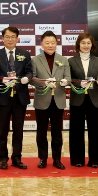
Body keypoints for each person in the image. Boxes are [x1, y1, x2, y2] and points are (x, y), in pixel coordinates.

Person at [0, 26, 33, 170]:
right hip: (3, 97)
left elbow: (29, 72)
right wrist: (1, 79)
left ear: (17, 39)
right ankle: (3, 158)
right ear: (2, 39)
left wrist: (26, 79)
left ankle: (17, 158)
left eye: (13, 37)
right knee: (2, 131)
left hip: (20, 97)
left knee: (18, 130)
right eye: (7, 37)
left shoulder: (25, 54)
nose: (10, 39)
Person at [31, 31, 71, 170]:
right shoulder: (35, 60)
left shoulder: (63, 59)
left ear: (56, 43)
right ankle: (42, 158)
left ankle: (57, 159)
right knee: (41, 131)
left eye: (53, 42)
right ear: (41, 44)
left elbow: (68, 78)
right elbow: (32, 79)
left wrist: (64, 82)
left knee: (57, 132)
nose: (50, 45)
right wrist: (44, 83)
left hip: (58, 99)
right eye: (47, 43)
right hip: (42, 99)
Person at [67, 33, 98, 168]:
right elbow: (69, 79)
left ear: (92, 45)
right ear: (78, 45)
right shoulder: (71, 61)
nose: (86, 45)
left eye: (88, 43)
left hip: (95, 99)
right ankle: (77, 160)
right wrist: (79, 84)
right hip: (78, 98)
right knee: (76, 131)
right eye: (83, 43)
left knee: (95, 131)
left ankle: (95, 160)